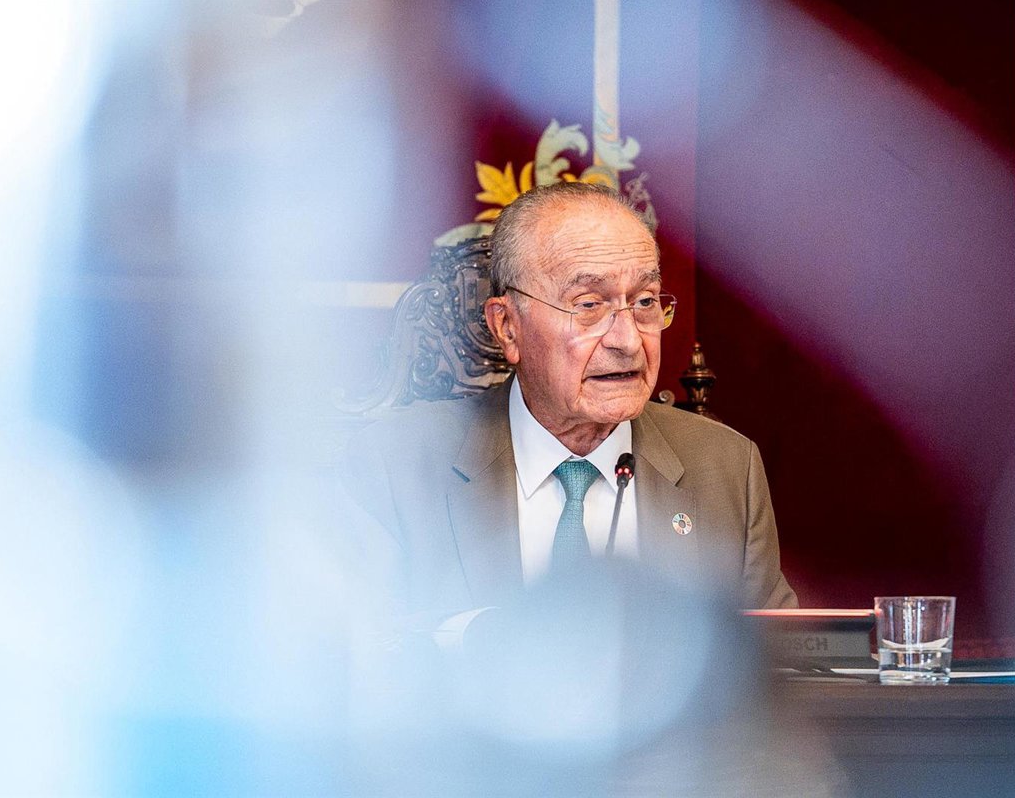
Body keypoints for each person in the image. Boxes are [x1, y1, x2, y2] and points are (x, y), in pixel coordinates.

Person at [338, 182, 797, 634]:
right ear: (508, 327)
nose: (628, 341)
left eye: (644, 302)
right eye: (589, 305)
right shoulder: (396, 467)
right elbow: (361, 657)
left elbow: (778, 665)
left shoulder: (725, 468)